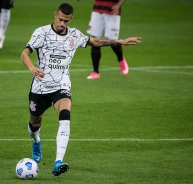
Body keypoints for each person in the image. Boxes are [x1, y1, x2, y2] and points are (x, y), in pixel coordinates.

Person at [20, 3, 141, 177]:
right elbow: (24, 54)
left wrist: (119, 41)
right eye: (60, 19)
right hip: (40, 87)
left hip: (61, 85)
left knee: (65, 115)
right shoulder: (42, 33)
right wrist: (32, 68)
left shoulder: (74, 35)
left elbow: (96, 41)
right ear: (55, 15)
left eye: (66, 21)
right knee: (34, 124)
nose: (62, 24)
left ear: (71, 20)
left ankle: (58, 161)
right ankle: (36, 140)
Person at [86, 0, 127, 79]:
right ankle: (95, 71)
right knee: (95, 40)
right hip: (97, 9)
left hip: (112, 9)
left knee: (112, 41)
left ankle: (121, 59)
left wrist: (118, 5)